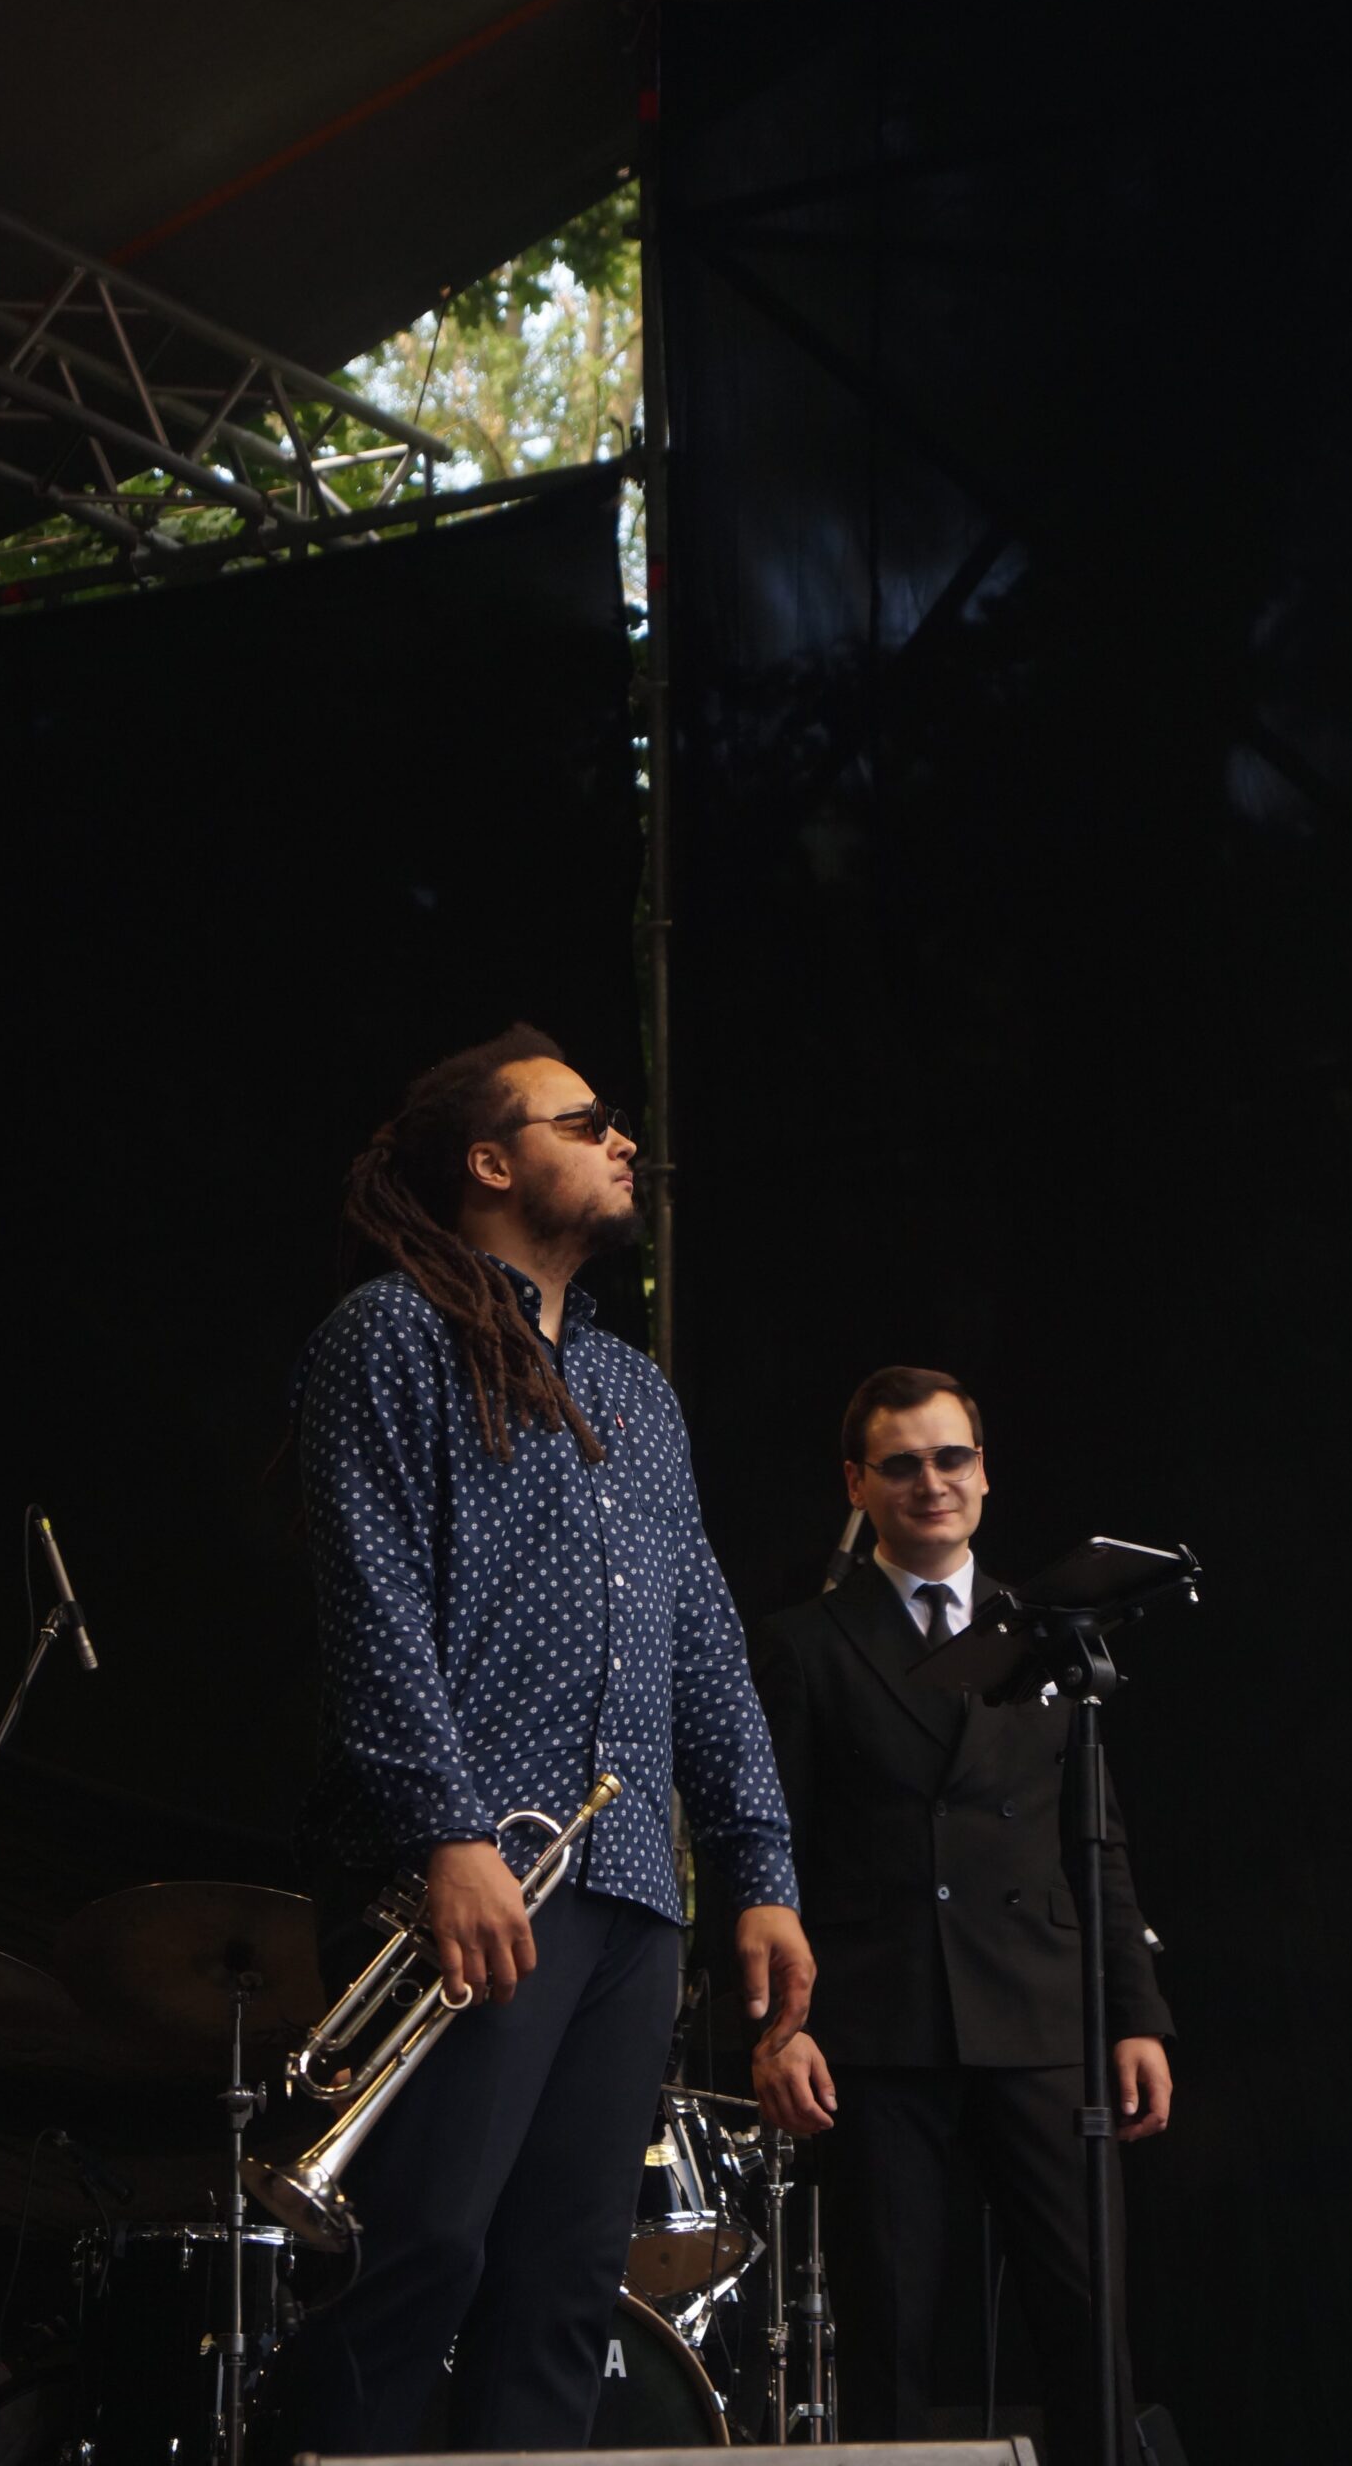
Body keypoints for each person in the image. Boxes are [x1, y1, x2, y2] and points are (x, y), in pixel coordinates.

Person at [287, 1023, 813, 2453]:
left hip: (630, 1892)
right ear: (490, 1161)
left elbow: (703, 1642)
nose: (622, 1140)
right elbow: (370, 1597)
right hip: (467, 1882)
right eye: (584, 1123)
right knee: (418, 2254)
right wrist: (444, 1831)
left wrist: (760, 1873)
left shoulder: (637, 1392)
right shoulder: (390, 1335)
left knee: (567, 2289)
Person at [752, 1364, 1172, 2466]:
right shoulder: (806, 1641)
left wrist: (1135, 2015)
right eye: (901, 1464)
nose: (930, 1482)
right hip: (878, 2025)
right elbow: (764, 1844)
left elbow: (1096, 1841)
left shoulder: (1055, 1632)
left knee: (1089, 2324)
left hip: (1040, 2013)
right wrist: (780, 2028)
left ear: (984, 1472)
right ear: (858, 1484)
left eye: (951, 1458)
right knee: (888, 2337)